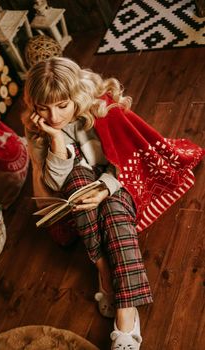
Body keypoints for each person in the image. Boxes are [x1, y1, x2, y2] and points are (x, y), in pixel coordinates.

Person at [23, 57, 204, 350]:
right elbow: (55, 187)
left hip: (117, 183)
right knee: (78, 186)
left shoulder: (102, 108)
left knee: (113, 209)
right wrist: (53, 139)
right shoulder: (42, 128)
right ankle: (105, 269)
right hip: (78, 191)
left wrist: (106, 190)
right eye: (43, 108)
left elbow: (126, 159)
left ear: (76, 97)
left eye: (62, 105)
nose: (53, 116)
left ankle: (123, 310)